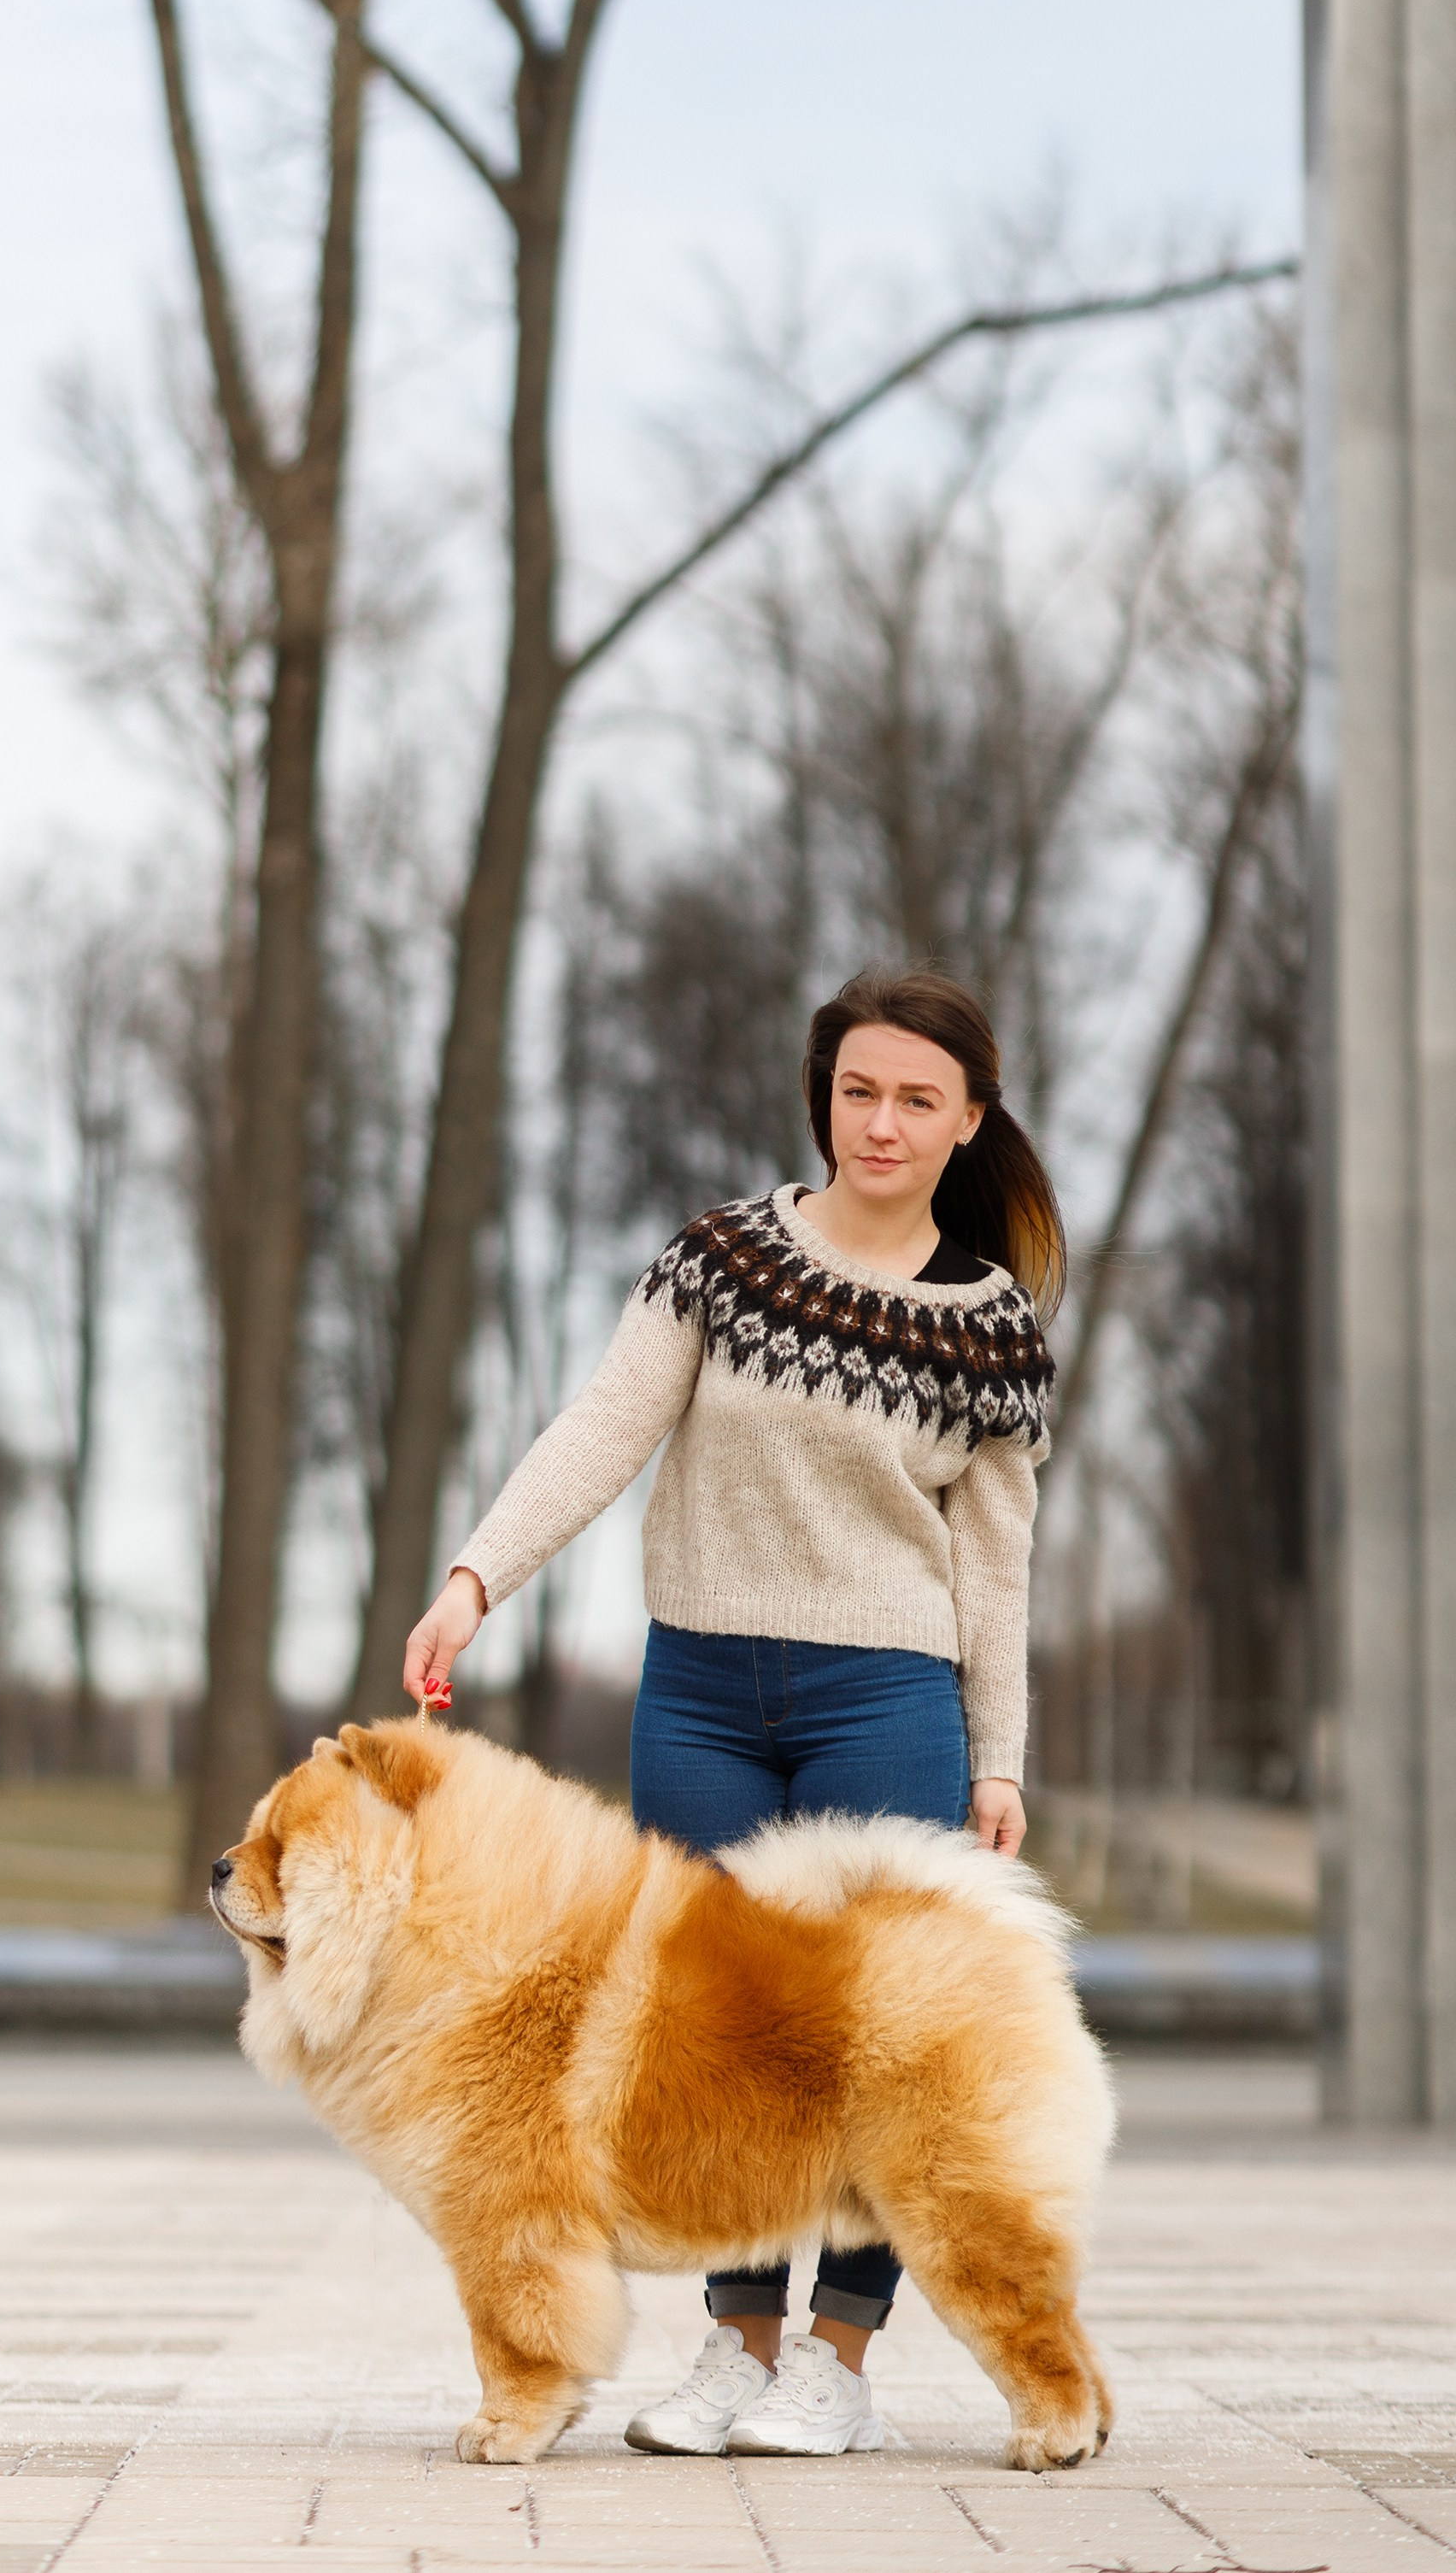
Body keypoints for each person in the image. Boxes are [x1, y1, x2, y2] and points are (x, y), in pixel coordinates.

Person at [402, 966, 1063, 2459]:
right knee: (712, 2038)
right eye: (856, 1090)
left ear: (968, 1122)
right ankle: (734, 2347)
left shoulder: (989, 1329)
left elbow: (996, 1570)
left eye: (914, 1099)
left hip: (886, 1702)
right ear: (821, 1093)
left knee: (880, 2040)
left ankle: (837, 2361)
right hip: (698, 1693)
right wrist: (471, 1581)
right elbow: (600, 1429)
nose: (878, 1123)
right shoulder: (719, 1260)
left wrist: (999, 1758)